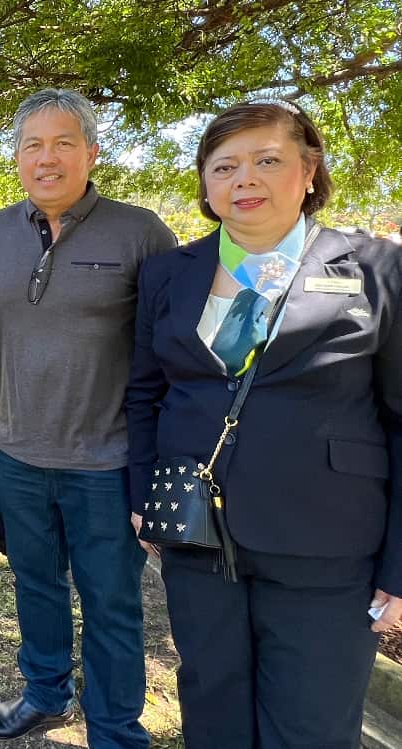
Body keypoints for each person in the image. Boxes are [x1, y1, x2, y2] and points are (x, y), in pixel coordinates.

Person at [126, 101, 402, 748]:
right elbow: (143, 395)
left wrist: (399, 566)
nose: (243, 179)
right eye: (223, 165)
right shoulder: (169, 273)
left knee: (310, 725)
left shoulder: (374, 270)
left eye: (266, 160)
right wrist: (141, 498)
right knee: (211, 707)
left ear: (308, 171)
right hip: (197, 533)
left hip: (326, 548)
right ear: (204, 183)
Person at [0, 89, 176, 747]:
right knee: (34, 584)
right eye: (32, 144)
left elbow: (171, 346)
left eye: (63, 143)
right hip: (18, 456)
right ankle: (45, 693)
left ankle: (115, 728)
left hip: (106, 463)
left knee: (112, 605)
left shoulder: (140, 230)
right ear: (16, 157)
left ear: (91, 151)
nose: (46, 158)